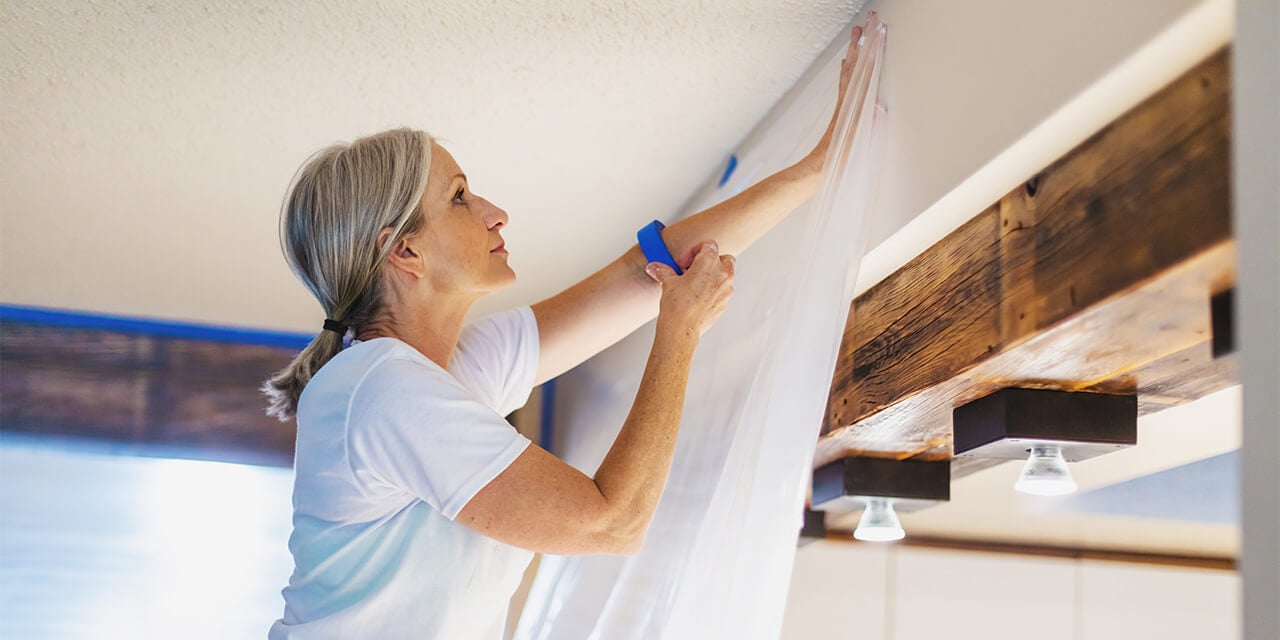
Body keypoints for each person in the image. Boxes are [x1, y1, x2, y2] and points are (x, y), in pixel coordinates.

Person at [264, 23, 864, 640]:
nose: (496, 212)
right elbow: (612, 522)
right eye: (461, 198)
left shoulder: (447, 370)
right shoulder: (383, 388)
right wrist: (680, 331)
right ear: (404, 252)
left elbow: (643, 274)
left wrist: (816, 167)